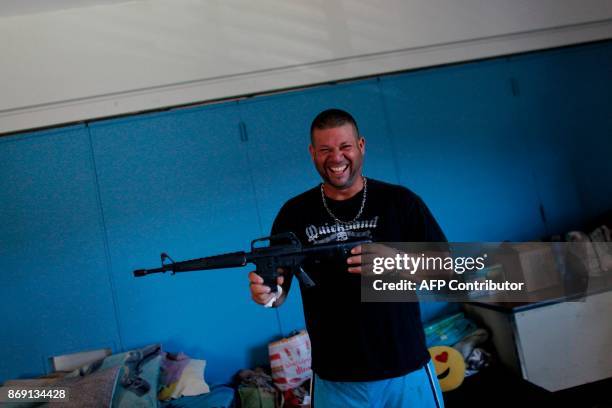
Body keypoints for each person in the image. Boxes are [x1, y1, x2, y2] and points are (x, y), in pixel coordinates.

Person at [249, 109, 446, 407]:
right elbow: (279, 290)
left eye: (345, 147)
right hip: (335, 378)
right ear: (312, 153)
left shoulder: (400, 202)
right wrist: (267, 295)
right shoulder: (294, 214)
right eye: (325, 149)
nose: (336, 158)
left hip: (405, 370)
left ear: (361, 146)